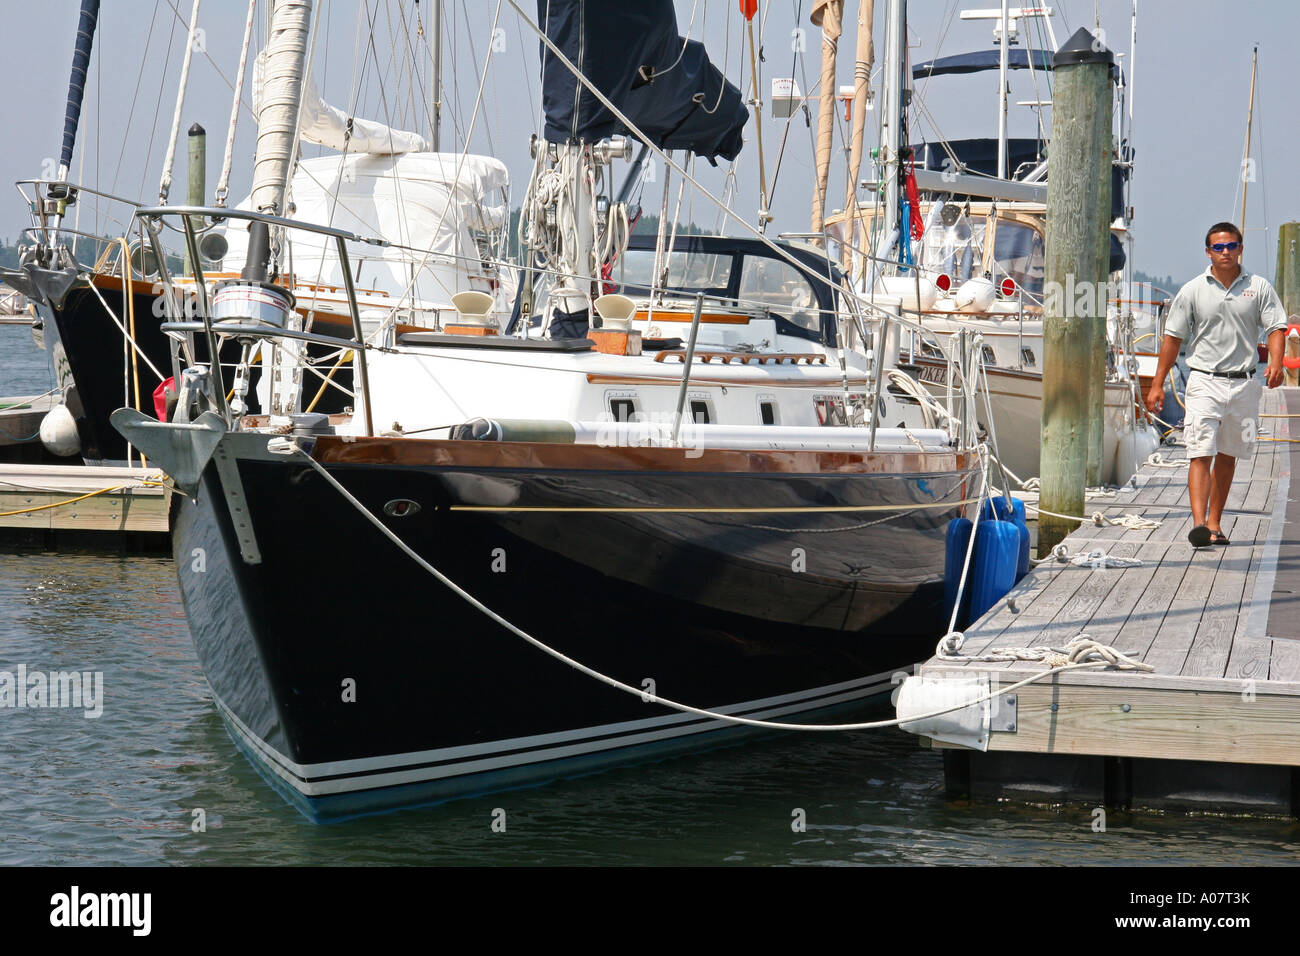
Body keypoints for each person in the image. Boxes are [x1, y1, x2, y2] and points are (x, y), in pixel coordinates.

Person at [1146, 222, 1286, 547]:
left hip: (1244, 384)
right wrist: (1156, 384)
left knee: (1228, 454)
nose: (1226, 252)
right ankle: (1198, 524)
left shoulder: (1259, 287)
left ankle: (1214, 523)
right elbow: (1172, 338)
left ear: (1240, 248)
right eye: (1219, 247)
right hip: (1203, 382)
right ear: (1208, 251)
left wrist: (1276, 363)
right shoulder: (1193, 289)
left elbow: (1276, 327)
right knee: (1199, 451)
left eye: (1232, 245)